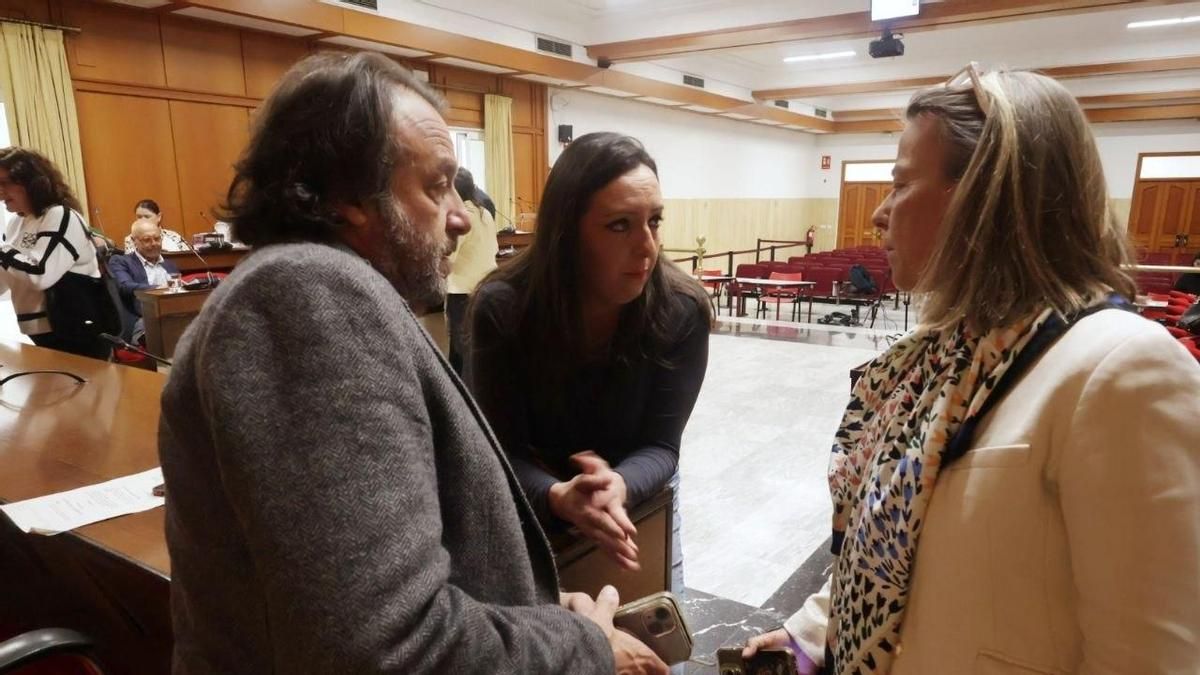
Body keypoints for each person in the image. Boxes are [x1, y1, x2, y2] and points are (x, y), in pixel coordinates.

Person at [157, 52, 666, 675]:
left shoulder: (319, 287)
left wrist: (538, 609)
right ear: (343, 200)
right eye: (435, 185)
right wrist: (582, 646)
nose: (459, 215)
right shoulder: (309, 295)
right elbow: (386, 649)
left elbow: (374, 590)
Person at [744, 66, 1200, 674]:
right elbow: (890, 545)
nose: (879, 213)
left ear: (987, 198)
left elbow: (1149, 660)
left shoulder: (1121, 369)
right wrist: (814, 633)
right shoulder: (945, 351)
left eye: (902, 185)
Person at [467, 132, 711, 584]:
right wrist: (559, 495)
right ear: (567, 231)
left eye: (654, 222)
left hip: (638, 494)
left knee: (654, 639)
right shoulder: (504, 309)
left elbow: (661, 445)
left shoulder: (682, 309)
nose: (646, 247)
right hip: (531, 498)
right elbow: (498, 450)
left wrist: (618, 485)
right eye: (620, 225)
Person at [0, 147, 111, 359]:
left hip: (76, 330)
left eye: (5, 183)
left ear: (31, 182)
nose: (0, 192)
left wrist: (3, 252)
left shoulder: (61, 215)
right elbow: (5, 282)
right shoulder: (16, 223)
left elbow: (40, 275)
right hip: (39, 331)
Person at [445, 167, 498, 375]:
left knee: (463, 351)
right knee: (471, 348)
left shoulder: (461, 218)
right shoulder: (485, 213)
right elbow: (493, 248)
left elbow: (450, 257)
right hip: (484, 286)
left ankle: (465, 400)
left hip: (462, 291)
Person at [108, 219, 180, 342]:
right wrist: (159, 288)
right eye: (147, 240)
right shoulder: (122, 261)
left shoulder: (169, 265)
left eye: (157, 239)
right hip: (144, 319)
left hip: (174, 316)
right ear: (134, 241)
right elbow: (125, 286)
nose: (154, 244)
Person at [122, 198, 188, 253]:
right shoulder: (131, 239)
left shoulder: (173, 236)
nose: (143, 220)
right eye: (139, 217)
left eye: (147, 217)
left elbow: (187, 258)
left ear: (159, 217)